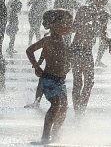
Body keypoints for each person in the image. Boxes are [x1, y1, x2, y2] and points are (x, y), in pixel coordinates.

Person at [26, 9, 73, 144]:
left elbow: (62, 56)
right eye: (64, 22)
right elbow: (29, 50)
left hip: (61, 81)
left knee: (63, 108)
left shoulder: (64, 40)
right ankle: (45, 136)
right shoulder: (48, 40)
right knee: (56, 104)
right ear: (52, 24)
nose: (68, 25)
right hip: (49, 79)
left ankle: (55, 134)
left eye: (69, 22)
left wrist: (68, 64)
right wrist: (37, 66)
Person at [70, 0, 111, 115]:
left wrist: (109, 40)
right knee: (78, 82)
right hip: (77, 50)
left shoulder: (104, 15)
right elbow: (73, 28)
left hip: (88, 51)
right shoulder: (83, 9)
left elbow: (102, 31)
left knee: (89, 83)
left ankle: (81, 110)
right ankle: (77, 111)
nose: (104, 0)